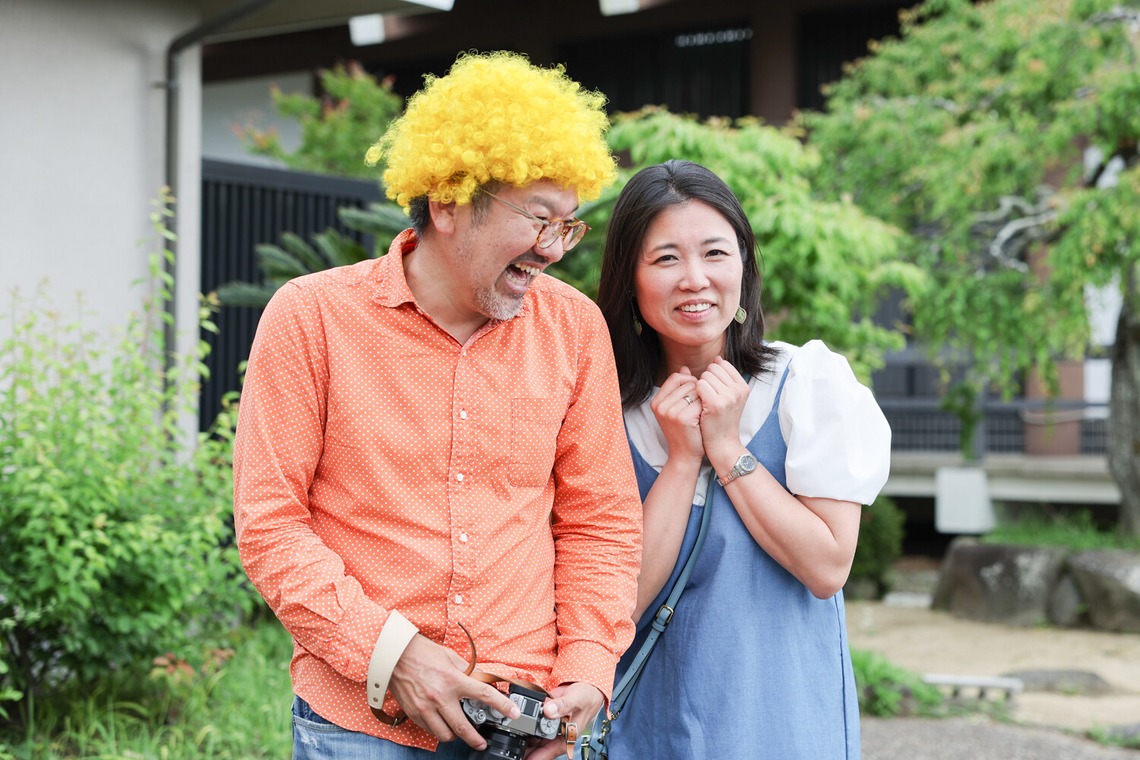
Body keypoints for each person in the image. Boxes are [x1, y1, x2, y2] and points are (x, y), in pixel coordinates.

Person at [232, 51, 642, 760]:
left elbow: (599, 521)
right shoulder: (311, 318)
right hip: (360, 725)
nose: (554, 250)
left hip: (524, 722)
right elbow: (270, 524)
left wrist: (587, 670)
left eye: (568, 225)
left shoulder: (574, 329)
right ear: (449, 203)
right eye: (539, 219)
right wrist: (394, 655)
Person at [593, 160, 891, 758]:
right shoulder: (601, 407)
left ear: (744, 267)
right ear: (629, 279)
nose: (695, 279)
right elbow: (614, 609)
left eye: (715, 253)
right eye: (666, 258)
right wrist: (681, 461)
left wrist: (727, 448)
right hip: (646, 732)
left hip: (781, 726)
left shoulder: (806, 382)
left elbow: (828, 566)